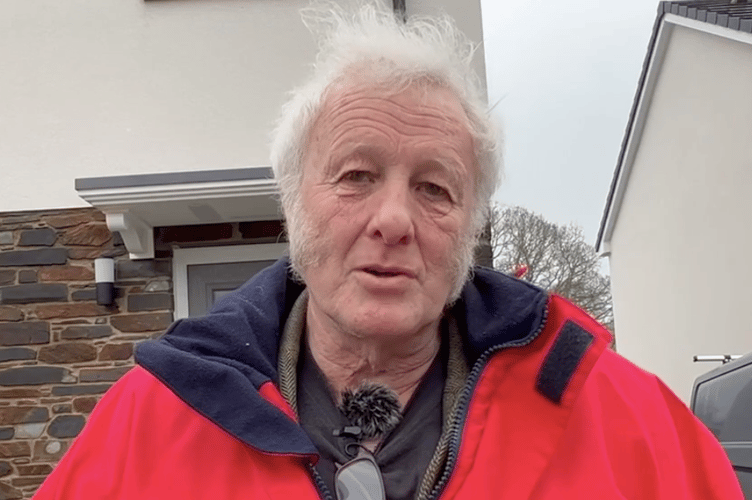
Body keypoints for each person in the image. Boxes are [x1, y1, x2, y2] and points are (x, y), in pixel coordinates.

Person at [34, 2, 743, 499]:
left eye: (435, 188)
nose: (395, 219)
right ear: (293, 204)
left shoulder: (634, 429)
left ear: (469, 227)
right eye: (357, 176)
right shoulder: (146, 427)